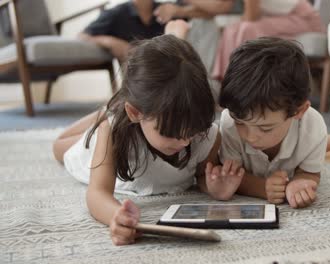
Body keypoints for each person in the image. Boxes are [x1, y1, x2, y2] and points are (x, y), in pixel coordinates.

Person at [53, 21, 244, 246]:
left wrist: (214, 187)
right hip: (116, 133)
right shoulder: (112, 133)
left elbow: (201, 174)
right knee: (58, 147)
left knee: (172, 81)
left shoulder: (207, 135)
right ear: (135, 113)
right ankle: (107, 110)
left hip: (141, 110)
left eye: (192, 131)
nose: (184, 142)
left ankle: (170, 44)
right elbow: (97, 193)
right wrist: (116, 216)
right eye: (171, 133)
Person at [208, 37, 330, 209]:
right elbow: (232, 176)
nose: (250, 136)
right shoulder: (230, 122)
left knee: (313, 144)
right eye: (240, 122)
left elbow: (309, 172)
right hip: (268, 159)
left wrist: (301, 182)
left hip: (307, 142)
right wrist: (263, 188)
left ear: (298, 111)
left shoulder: (312, 127)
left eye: (265, 128)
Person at [212, 0, 324, 80]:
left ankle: (243, 78)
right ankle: (228, 80)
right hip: (279, 16)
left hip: (302, 18)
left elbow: (251, 16)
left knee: (247, 28)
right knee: (231, 29)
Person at [79, 0, 168, 62]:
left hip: (170, 74)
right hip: (138, 77)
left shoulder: (169, 10)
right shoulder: (116, 13)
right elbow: (82, 36)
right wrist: (110, 42)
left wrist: (179, 11)